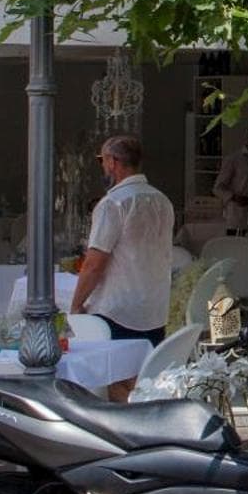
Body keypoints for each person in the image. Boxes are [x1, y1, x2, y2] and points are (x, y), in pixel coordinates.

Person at [71, 134, 175, 400]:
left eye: (102, 160)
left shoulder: (113, 204)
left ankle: (128, 425)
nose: (102, 167)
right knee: (146, 384)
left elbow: (94, 263)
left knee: (115, 382)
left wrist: (76, 305)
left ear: (113, 162)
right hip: (153, 307)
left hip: (118, 308)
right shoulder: (163, 201)